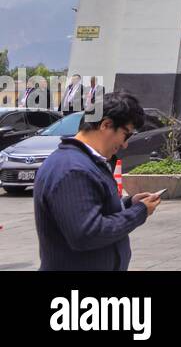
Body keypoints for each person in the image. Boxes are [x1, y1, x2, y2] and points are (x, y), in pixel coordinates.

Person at [33, 91, 162, 270]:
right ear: (106, 125)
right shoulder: (72, 168)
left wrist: (128, 204)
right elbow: (87, 233)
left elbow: (91, 209)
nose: (125, 144)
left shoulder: (87, 161)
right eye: (127, 135)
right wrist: (138, 212)